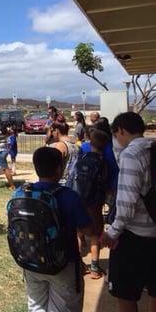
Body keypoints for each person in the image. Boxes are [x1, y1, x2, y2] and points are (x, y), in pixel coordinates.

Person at [21, 147, 92, 312]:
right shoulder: (69, 196)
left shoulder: (21, 193)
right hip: (63, 263)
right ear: (59, 168)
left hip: (31, 260)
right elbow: (89, 230)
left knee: (36, 307)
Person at [101, 112, 156, 312]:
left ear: (121, 130)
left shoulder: (131, 155)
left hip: (135, 238)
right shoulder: (153, 147)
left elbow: (126, 204)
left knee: (125, 294)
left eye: (116, 135)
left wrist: (112, 232)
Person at [76, 129, 109, 279]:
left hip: (79, 201)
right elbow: (105, 185)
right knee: (95, 235)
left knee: (78, 232)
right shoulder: (103, 163)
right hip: (95, 204)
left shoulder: (82, 158)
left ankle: (79, 265)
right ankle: (95, 268)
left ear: (90, 142)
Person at [49, 118, 79, 184]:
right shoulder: (76, 145)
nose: (52, 134)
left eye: (52, 131)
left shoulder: (61, 146)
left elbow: (53, 166)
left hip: (63, 182)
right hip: (73, 181)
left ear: (56, 131)